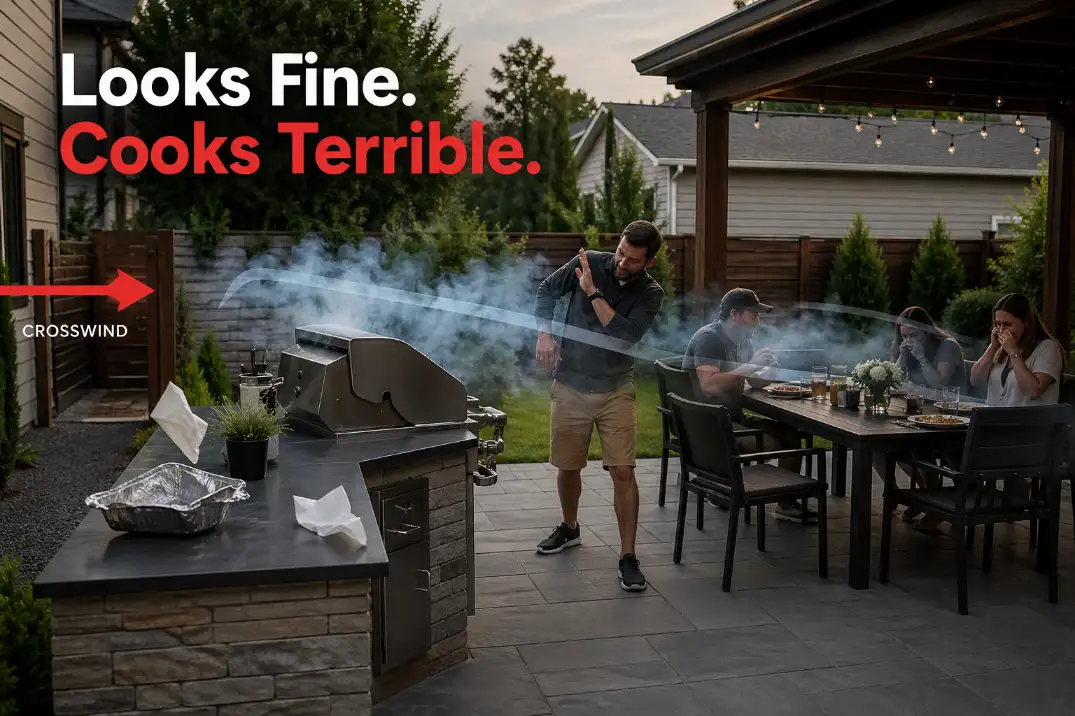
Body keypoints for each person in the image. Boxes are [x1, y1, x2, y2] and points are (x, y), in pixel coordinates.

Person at [531, 220, 666, 591]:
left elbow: (623, 335)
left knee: (623, 471)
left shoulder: (651, 294)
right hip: (570, 382)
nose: (622, 263)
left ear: (648, 263)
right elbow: (546, 290)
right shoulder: (588, 260)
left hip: (615, 390)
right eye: (622, 252)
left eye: (633, 260)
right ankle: (570, 527)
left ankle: (627, 556)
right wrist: (544, 331)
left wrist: (591, 292)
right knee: (568, 465)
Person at [682, 288, 818, 523]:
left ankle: (784, 504)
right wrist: (750, 366)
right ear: (734, 315)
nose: (758, 321)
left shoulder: (743, 339)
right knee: (775, 442)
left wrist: (769, 371)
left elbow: (752, 381)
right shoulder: (709, 338)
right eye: (753, 315)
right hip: (707, 423)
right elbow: (710, 386)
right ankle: (719, 483)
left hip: (729, 416)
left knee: (790, 436)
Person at [875, 307, 966, 531]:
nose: (908, 340)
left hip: (953, 418)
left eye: (914, 335)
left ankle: (933, 505)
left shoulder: (947, 346)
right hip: (921, 413)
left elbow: (940, 385)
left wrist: (921, 357)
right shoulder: (904, 348)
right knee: (877, 442)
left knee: (914, 448)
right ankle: (899, 493)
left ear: (926, 331)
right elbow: (892, 382)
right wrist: (903, 357)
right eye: (904, 336)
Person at [970, 292, 1065, 406]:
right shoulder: (1000, 348)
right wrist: (993, 348)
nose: (1001, 330)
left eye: (1007, 324)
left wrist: (1013, 352)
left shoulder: (1048, 348)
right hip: (994, 419)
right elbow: (974, 380)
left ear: (1026, 322)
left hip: (1029, 422)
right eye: (998, 324)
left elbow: (1034, 390)